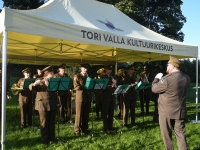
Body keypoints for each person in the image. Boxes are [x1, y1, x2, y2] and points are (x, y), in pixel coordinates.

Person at [152, 56, 190, 150]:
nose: (167, 67)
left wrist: (156, 79)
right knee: (181, 135)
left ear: (173, 66)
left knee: (167, 136)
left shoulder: (167, 79)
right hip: (180, 111)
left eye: (168, 65)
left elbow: (154, 89)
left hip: (166, 112)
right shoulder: (186, 78)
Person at [29, 66, 58, 146]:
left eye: (53, 72)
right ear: (47, 73)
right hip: (42, 104)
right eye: (51, 72)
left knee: (52, 122)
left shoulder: (54, 81)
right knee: (44, 122)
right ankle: (45, 139)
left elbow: (57, 90)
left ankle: (52, 137)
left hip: (52, 103)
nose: (53, 73)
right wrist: (34, 84)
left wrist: (49, 85)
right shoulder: (39, 80)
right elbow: (30, 87)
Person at [73, 64, 92, 137]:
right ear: (81, 68)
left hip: (87, 97)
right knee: (79, 115)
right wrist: (85, 87)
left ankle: (84, 128)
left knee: (86, 114)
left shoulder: (87, 76)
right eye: (84, 68)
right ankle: (77, 130)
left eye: (86, 68)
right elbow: (76, 87)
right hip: (80, 97)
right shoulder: (77, 76)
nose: (85, 69)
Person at [100, 65, 116, 134]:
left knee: (111, 113)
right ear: (106, 69)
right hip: (105, 97)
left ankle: (110, 127)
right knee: (105, 113)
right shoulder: (102, 77)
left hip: (112, 97)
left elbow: (113, 86)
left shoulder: (112, 77)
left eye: (111, 69)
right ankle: (105, 128)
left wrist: (115, 85)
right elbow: (103, 87)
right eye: (109, 69)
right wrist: (111, 86)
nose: (110, 71)